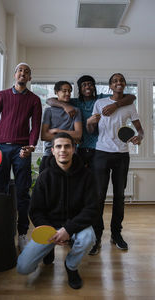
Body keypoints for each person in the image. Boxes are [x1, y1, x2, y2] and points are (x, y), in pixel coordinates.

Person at [17, 132, 98, 289]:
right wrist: (51, 233)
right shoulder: (44, 177)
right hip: (50, 228)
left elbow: (92, 209)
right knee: (23, 267)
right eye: (58, 146)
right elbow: (35, 211)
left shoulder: (87, 176)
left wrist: (68, 229)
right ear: (52, 150)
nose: (63, 150)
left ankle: (71, 266)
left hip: (75, 226)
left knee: (89, 237)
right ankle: (49, 250)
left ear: (74, 149)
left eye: (67, 146)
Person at [0, 62, 42, 251]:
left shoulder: (34, 100)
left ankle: (23, 233)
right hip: (0, 148)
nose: (23, 73)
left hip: (22, 149)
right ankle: (1, 232)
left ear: (29, 78)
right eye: (20, 71)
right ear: (14, 75)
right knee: (0, 190)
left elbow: (36, 127)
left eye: (26, 71)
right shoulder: (2, 95)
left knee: (23, 191)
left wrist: (31, 146)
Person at [87, 73, 144, 255]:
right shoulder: (100, 103)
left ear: (125, 84)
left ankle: (116, 234)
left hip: (121, 155)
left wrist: (138, 138)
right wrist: (90, 122)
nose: (119, 82)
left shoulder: (129, 104)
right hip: (101, 153)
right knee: (98, 196)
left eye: (121, 80)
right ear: (110, 86)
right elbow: (91, 129)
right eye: (115, 81)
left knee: (119, 196)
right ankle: (96, 236)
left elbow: (140, 130)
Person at [47, 75, 136, 169]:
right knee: (81, 179)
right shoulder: (75, 102)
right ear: (80, 89)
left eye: (90, 84)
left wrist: (115, 105)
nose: (87, 87)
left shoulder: (102, 99)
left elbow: (132, 97)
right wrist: (64, 106)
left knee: (96, 181)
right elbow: (49, 101)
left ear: (94, 87)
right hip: (80, 148)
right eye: (84, 85)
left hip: (99, 149)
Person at [40, 81, 82, 172]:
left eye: (70, 91)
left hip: (71, 155)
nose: (68, 93)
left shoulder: (76, 111)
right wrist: (71, 138)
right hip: (50, 154)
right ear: (56, 92)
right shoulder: (48, 111)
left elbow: (78, 135)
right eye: (64, 91)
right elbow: (44, 136)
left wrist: (58, 131)